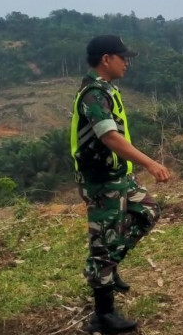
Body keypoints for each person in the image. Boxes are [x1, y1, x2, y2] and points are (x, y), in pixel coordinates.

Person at [71, 35, 170, 334]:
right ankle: (102, 315)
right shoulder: (93, 94)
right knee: (102, 244)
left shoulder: (106, 90)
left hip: (118, 179)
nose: (126, 62)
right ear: (106, 59)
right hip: (101, 183)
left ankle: (107, 269)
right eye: (122, 57)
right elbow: (109, 137)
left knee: (148, 211)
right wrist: (149, 163)